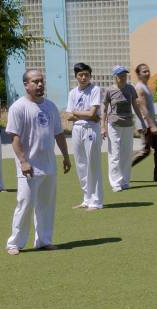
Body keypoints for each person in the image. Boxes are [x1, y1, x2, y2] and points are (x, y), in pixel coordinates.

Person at [5, 70, 72, 255]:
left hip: (49, 165)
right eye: (35, 81)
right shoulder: (18, 107)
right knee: (25, 204)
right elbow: (15, 137)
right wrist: (23, 161)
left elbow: (58, 133)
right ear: (26, 85)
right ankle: (15, 243)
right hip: (29, 167)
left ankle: (44, 240)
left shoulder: (50, 106)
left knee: (47, 205)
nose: (40, 85)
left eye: (42, 81)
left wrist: (65, 156)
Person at [65, 62, 103, 210]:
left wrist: (77, 112)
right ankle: (86, 198)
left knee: (93, 164)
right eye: (81, 75)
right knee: (81, 164)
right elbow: (68, 115)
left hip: (91, 129)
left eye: (86, 74)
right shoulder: (72, 93)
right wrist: (84, 114)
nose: (84, 77)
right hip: (77, 129)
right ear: (76, 76)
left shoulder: (95, 90)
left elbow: (93, 114)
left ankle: (96, 201)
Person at [101, 65, 145, 192]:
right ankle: (115, 183)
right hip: (114, 125)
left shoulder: (130, 89)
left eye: (124, 75)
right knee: (115, 154)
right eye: (120, 75)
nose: (123, 77)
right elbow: (104, 110)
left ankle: (125, 181)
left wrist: (141, 121)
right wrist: (102, 127)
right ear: (115, 77)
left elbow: (135, 106)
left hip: (128, 125)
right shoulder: (109, 90)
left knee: (126, 154)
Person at [131, 63, 157, 182]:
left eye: (148, 71)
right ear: (138, 74)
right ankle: (122, 168)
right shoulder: (139, 87)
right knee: (145, 150)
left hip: (149, 123)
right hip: (145, 125)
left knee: (156, 149)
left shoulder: (145, 86)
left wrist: (154, 122)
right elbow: (143, 108)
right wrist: (152, 124)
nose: (147, 73)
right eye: (144, 71)